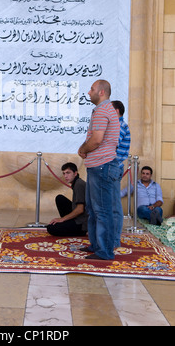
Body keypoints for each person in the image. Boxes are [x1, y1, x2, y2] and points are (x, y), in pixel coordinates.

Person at [78, 80, 121, 260]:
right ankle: (96, 245)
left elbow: (96, 140)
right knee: (93, 209)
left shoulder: (103, 110)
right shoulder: (103, 109)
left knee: (102, 210)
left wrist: (82, 150)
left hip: (102, 166)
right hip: (98, 166)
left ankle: (105, 251)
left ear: (101, 92)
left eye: (92, 89)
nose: (89, 92)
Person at [47, 162, 88, 237]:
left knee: (51, 228)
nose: (65, 176)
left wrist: (62, 219)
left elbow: (80, 209)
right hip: (79, 218)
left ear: (75, 173)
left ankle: (82, 232)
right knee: (60, 199)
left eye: (68, 173)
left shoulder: (79, 184)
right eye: (64, 173)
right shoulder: (76, 183)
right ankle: (68, 223)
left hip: (82, 223)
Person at [111, 100, 131, 248]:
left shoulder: (119, 126)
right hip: (111, 167)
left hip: (112, 167)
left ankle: (114, 239)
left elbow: (112, 144)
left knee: (114, 206)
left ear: (116, 111)